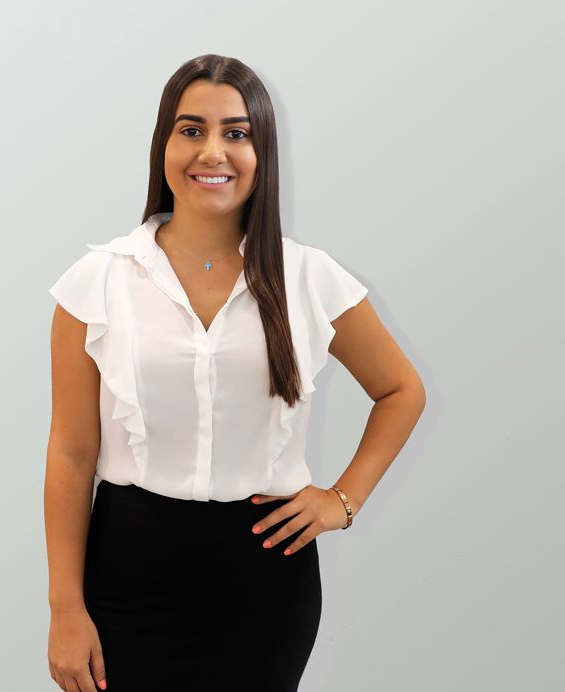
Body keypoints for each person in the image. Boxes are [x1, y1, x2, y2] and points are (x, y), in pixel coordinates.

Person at [44, 54, 426, 692]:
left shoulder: (309, 277)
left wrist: (343, 500)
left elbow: (401, 390)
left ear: (262, 151)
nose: (212, 152)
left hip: (266, 583)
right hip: (125, 572)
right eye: (191, 130)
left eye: (236, 133)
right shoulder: (97, 281)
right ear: (164, 145)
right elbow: (71, 453)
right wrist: (64, 608)